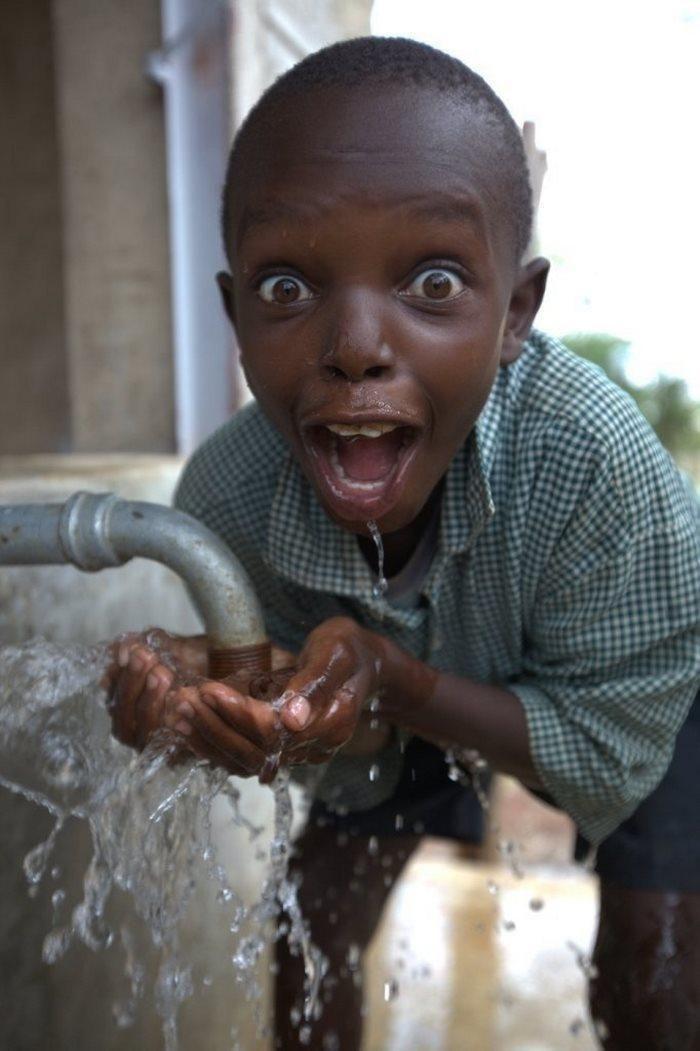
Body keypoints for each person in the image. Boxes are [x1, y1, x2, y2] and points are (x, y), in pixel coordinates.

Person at [107, 37, 700, 1050]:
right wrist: (196, 699)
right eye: (287, 287)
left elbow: (606, 749)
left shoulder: (593, 463)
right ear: (233, 315)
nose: (354, 346)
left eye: (431, 282)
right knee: (314, 934)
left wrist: (393, 680)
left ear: (515, 312)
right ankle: (437, 801)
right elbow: (306, 730)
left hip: (633, 691)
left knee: (656, 973)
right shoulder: (231, 500)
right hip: (397, 698)